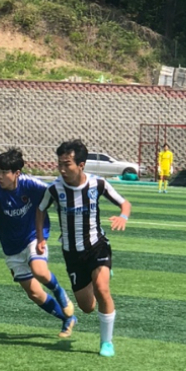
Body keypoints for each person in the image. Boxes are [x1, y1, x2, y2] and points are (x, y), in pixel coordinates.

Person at [35, 140, 131, 357]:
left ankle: (106, 342)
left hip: (97, 246)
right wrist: (40, 238)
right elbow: (40, 210)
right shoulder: (54, 189)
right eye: (59, 164)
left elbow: (125, 204)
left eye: (67, 164)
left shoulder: (98, 184)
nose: (62, 169)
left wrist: (123, 217)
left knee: (102, 289)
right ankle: (99, 275)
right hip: (72, 254)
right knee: (87, 307)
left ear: (81, 165)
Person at [0, 148, 77, 338]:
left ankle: (60, 293)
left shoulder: (31, 184)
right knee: (34, 294)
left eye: (4, 172)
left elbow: (53, 192)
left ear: (17, 173)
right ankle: (67, 319)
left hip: (34, 236)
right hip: (12, 248)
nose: (0, 176)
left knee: (39, 270)